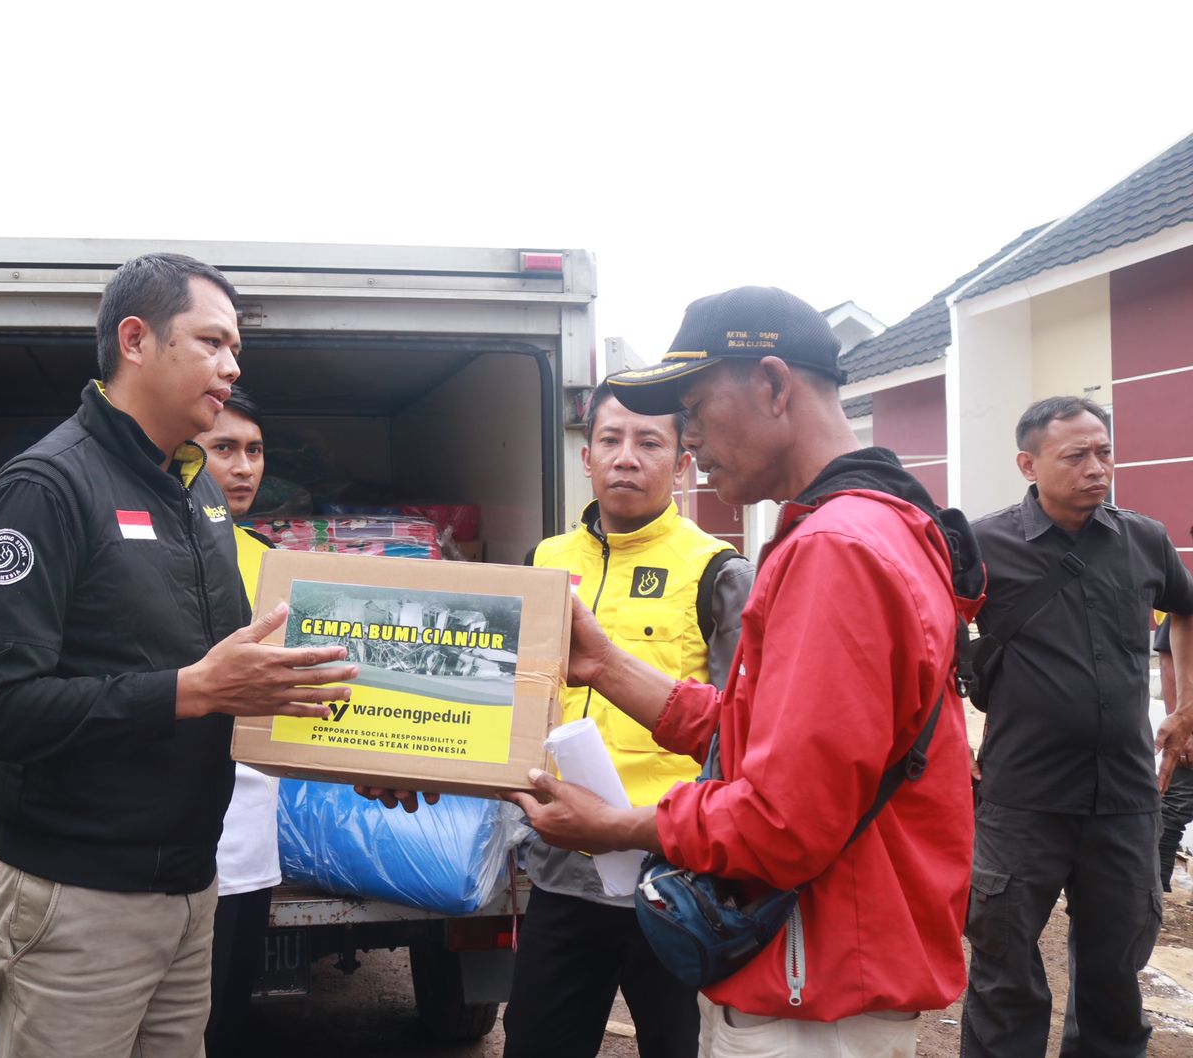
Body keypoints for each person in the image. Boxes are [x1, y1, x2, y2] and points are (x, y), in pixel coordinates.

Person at [493, 286, 984, 1057]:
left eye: (693, 408)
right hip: (828, 969)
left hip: (814, 985)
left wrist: (616, 827)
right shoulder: (873, 525)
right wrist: (605, 665)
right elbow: (767, 739)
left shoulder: (835, 549)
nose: (690, 440)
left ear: (773, 385)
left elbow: (784, 819)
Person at [0, 253, 357, 1057]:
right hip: (79, 899)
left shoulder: (197, 489)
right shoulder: (46, 487)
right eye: (212, 341)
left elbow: (240, 680)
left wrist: (368, 751)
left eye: (236, 347)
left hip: (190, 883)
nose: (233, 364)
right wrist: (192, 690)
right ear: (136, 340)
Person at [503, 379, 751, 1058]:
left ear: (681, 463)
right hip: (562, 863)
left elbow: (744, 732)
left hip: (671, 872)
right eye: (609, 440)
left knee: (673, 1047)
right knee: (535, 1042)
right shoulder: (547, 562)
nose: (625, 457)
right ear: (586, 456)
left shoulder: (717, 572)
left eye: (649, 442)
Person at [962, 395, 1193, 1057]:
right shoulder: (984, 544)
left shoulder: (1143, 539)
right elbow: (931, 629)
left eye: (1105, 452)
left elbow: (1187, 609)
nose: (1099, 468)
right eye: (1077, 456)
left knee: (1114, 976)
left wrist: (1186, 709)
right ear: (1028, 464)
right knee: (1004, 971)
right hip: (1021, 797)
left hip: (1123, 798)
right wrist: (948, 722)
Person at [191, 385, 279, 1058]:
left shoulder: (274, 561)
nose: (244, 466)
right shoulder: (150, 547)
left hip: (249, 825)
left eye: (253, 450)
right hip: (171, 826)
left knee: (227, 1012)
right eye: (224, 448)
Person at [1157, 617, 1193, 895]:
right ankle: (1152, 897)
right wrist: (1184, 726)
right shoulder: (1186, 592)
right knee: (1170, 816)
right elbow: (1168, 659)